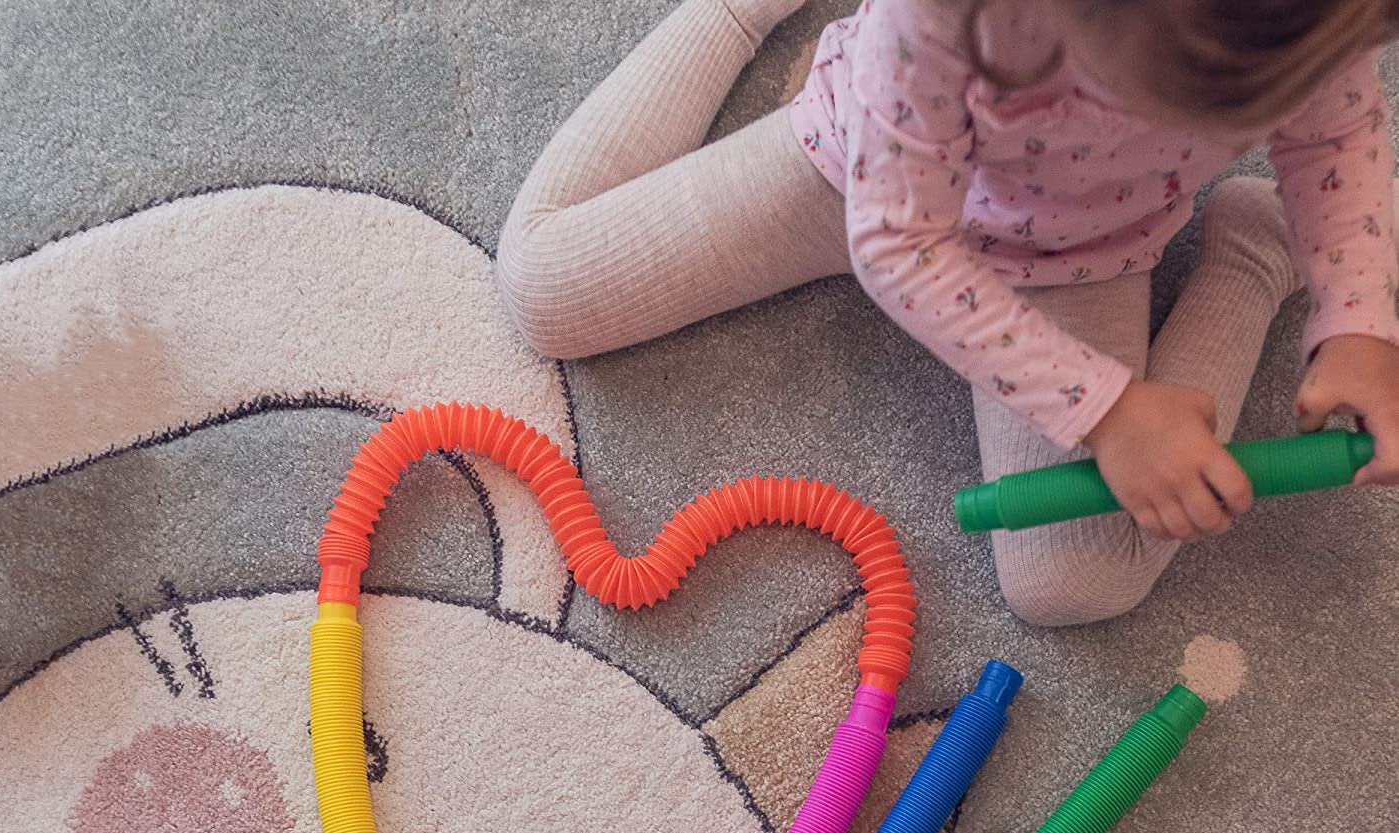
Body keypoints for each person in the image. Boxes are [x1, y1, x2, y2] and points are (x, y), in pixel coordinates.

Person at [496, 0, 1399, 624]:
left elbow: (1336, 131)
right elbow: (899, 247)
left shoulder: (1316, 23)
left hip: (1081, 256)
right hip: (857, 174)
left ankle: (1254, 251)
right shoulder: (945, 17)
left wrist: (1358, 317)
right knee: (546, 287)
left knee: (1074, 581)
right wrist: (1106, 409)